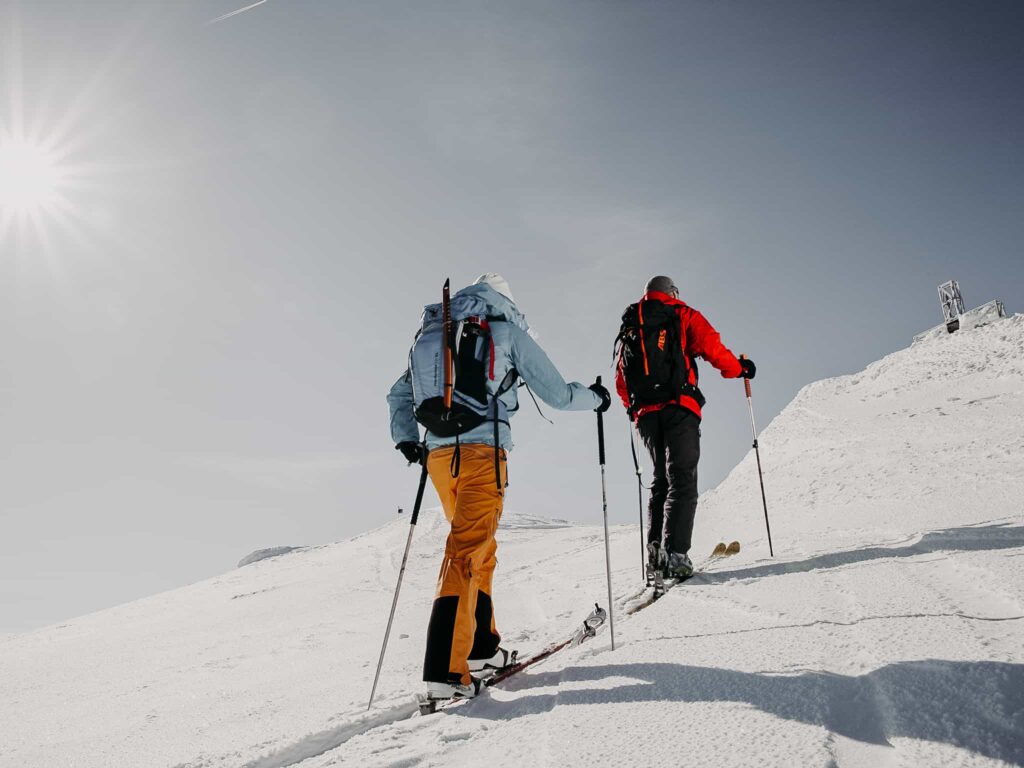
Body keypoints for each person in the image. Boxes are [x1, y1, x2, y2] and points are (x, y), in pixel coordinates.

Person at [387, 273, 610, 701]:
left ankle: (480, 651)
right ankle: (445, 671)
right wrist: (596, 398)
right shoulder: (503, 332)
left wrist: (407, 441)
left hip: (437, 459)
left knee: (479, 548)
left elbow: (398, 393)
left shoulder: (434, 335)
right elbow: (559, 394)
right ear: (503, 302)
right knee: (468, 549)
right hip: (482, 453)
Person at [614, 275, 755, 582]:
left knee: (660, 480)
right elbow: (713, 349)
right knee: (682, 477)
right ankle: (676, 555)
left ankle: (655, 555)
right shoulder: (682, 313)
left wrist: (635, 408)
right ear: (671, 292)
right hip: (680, 407)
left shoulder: (632, 324)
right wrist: (740, 369)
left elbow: (621, 380)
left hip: (646, 416)